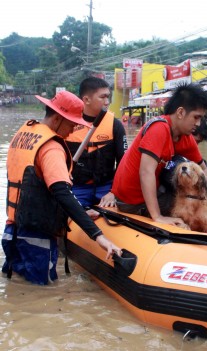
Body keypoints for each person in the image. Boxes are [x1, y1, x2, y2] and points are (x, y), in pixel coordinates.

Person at [2, 91, 122, 285]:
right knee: (43, 296)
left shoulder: (23, 135)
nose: (73, 131)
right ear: (57, 119)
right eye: (72, 124)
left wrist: (81, 211)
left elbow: (33, 189)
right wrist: (99, 237)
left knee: (18, 289)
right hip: (37, 239)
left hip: (12, 231)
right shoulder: (51, 147)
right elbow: (62, 193)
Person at [112, 83, 207, 227]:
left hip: (157, 191)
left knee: (194, 198)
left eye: (201, 119)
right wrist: (157, 216)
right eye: (196, 117)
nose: (198, 123)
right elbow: (146, 172)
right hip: (132, 201)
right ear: (180, 113)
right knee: (188, 203)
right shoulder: (158, 128)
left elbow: (204, 171)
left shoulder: (186, 136)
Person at [65, 77, 128, 215]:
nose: (107, 102)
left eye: (108, 97)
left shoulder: (115, 125)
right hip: (77, 188)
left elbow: (124, 163)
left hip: (106, 187)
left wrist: (114, 192)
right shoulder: (68, 125)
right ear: (86, 100)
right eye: (103, 97)